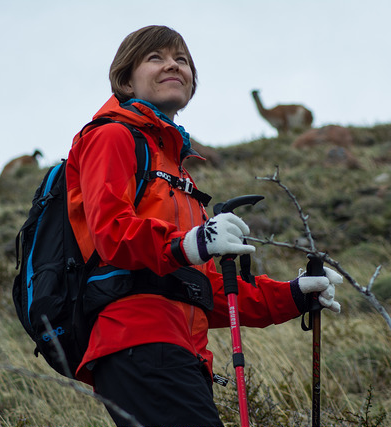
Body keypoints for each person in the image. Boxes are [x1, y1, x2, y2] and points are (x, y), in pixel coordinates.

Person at [65, 25, 343, 427]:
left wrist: (294, 295)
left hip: (183, 351)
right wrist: (190, 243)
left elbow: (208, 289)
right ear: (126, 79)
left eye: (181, 60)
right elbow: (111, 234)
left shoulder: (179, 174)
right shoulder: (112, 136)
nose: (172, 65)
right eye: (155, 58)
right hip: (137, 341)